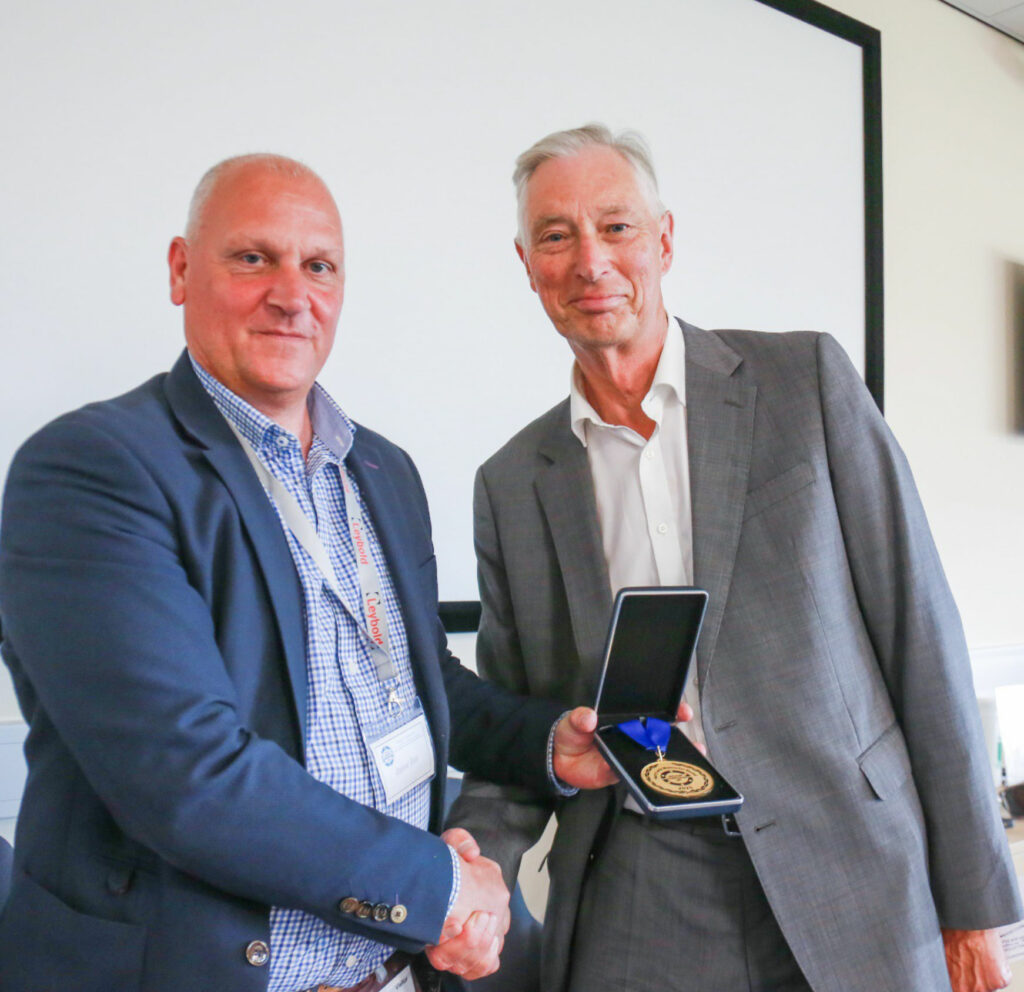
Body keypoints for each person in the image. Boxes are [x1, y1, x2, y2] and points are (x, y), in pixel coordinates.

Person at [0, 153, 618, 992]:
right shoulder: (92, 470)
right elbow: (189, 776)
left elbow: (420, 682)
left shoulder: (379, 470)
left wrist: (549, 742)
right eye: (254, 258)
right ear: (182, 270)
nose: (293, 294)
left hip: (401, 972)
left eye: (318, 265)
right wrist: (438, 889)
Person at [446, 125, 1022, 992]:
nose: (590, 260)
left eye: (617, 227)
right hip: (646, 887)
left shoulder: (805, 381)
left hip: (851, 861)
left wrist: (975, 906)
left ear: (665, 239)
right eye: (556, 236)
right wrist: (468, 868)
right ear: (527, 265)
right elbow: (520, 726)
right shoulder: (511, 483)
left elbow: (920, 636)